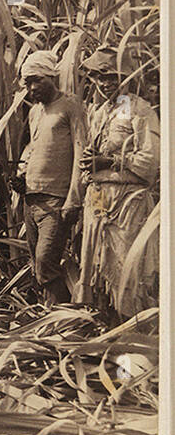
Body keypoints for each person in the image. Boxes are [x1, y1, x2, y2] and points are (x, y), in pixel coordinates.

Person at [77, 46, 160, 319]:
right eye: (100, 77)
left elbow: (150, 159)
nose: (106, 83)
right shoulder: (98, 111)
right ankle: (105, 321)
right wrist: (89, 165)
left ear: (126, 77)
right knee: (98, 256)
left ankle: (130, 323)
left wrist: (110, 162)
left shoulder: (139, 109)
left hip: (126, 200)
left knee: (125, 263)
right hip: (99, 195)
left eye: (113, 76)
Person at [14, 49, 87, 304]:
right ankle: (48, 319)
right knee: (37, 262)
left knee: (46, 262)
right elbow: (32, 148)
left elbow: (81, 153)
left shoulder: (71, 106)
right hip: (32, 198)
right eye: (27, 82)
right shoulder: (35, 112)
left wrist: (73, 200)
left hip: (56, 199)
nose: (32, 88)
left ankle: (61, 319)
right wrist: (21, 175)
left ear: (51, 77)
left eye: (37, 80)